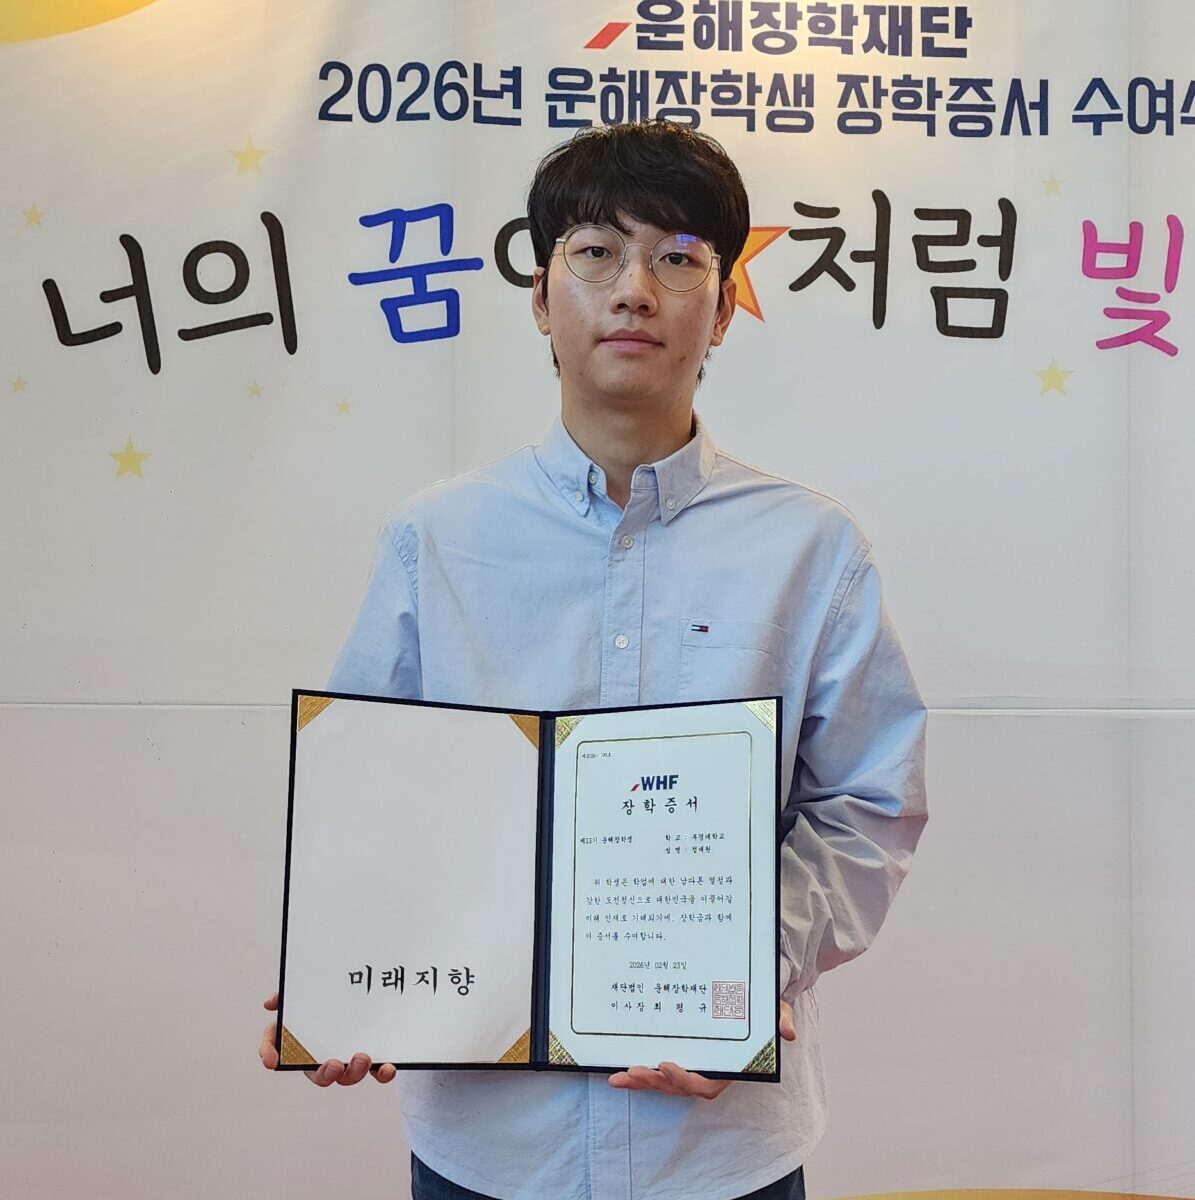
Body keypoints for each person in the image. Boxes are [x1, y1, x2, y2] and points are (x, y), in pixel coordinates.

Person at [260, 120, 927, 1200]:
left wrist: (748, 966)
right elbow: (372, 796)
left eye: (678, 258)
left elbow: (866, 804)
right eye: (596, 254)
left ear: (724, 304)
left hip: (720, 1150)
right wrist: (343, 978)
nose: (634, 292)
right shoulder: (437, 539)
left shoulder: (811, 548)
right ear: (540, 296)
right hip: (489, 1144)